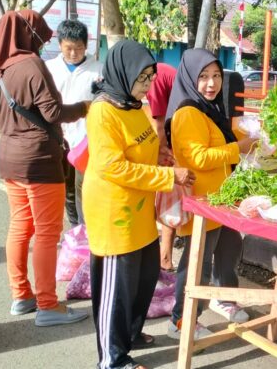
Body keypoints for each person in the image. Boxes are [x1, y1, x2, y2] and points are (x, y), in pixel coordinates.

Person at [83, 40, 195, 369]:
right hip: (115, 212)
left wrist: (159, 156)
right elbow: (112, 167)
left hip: (140, 209)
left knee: (145, 277)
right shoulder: (104, 111)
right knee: (116, 290)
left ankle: (130, 334)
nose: (146, 87)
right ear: (123, 73)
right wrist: (167, 176)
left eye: (150, 78)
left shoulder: (133, 105)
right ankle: (112, 359)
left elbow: (140, 145)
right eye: (142, 79)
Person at [0, 10, 90, 326]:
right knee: (47, 232)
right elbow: (53, 113)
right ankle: (48, 306)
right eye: (40, 34)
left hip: (8, 158)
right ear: (27, 33)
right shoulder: (31, 64)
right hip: (39, 160)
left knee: (20, 225)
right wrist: (85, 108)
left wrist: (10, 125)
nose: (43, 41)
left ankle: (21, 296)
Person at [166, 48, 257, 340]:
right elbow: (197, 158)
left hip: (221, 200)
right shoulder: (188, 111)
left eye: (216, 75)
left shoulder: (211, 107)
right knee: (198, 263)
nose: (211, 83)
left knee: (229, 252)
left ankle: (223, 299)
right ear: (191, 78)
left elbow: (223, 141)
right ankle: (180, 321)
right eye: (203, 76)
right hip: (202, 203)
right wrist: (237, 149)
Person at [45, 19, 102, 227]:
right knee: (64, 187)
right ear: (60, 44)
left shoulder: (98, 71)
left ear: (86, 46)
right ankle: (73, 228)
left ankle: (85, 231)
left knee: (83, 186)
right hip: (57, 138)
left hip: (85, 140)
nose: (73, 53)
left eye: (78, 48)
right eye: (68, 48)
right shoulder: (48, 69)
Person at [145, 62, 178, 272]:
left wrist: (163, 152)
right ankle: (163, 256)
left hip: (174, 137)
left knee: (168, 196)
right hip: (171, 136)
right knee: (167, 197)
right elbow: (158, 121)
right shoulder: (157, 74)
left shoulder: (155, 76)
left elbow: (159, 123)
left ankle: (164, 256)